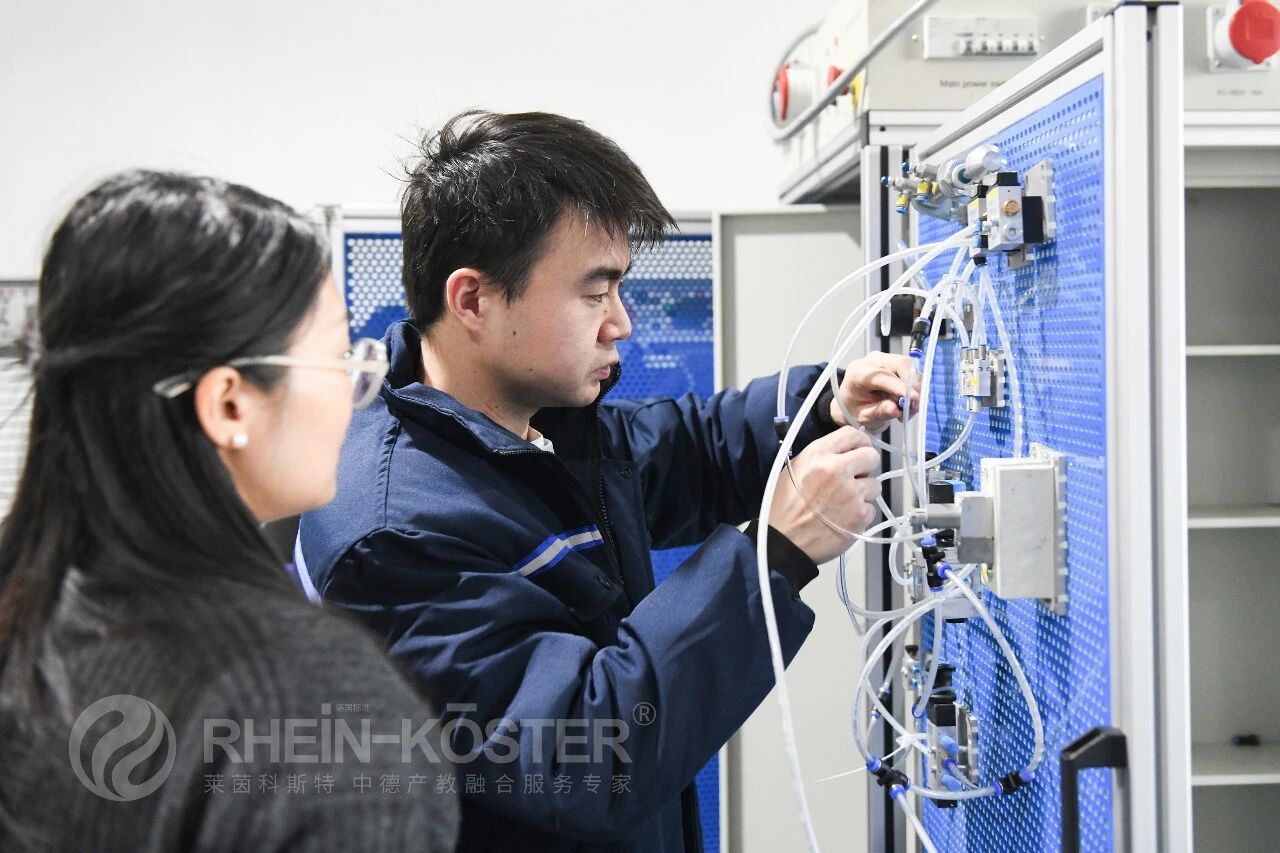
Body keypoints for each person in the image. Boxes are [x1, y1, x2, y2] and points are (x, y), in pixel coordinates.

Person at [298, 110, 918, 852]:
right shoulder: (395, 532)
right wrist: (774, 554)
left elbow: (686, 450)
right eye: (595, 294)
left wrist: (830, 403)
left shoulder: (532, 428)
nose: (620, 323)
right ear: (473, 301)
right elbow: (584, 753)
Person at [0, 171, 458, 852]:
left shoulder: (32, 620)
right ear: (229, 403)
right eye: (337, 357)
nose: (354, 389)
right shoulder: (317, 707)